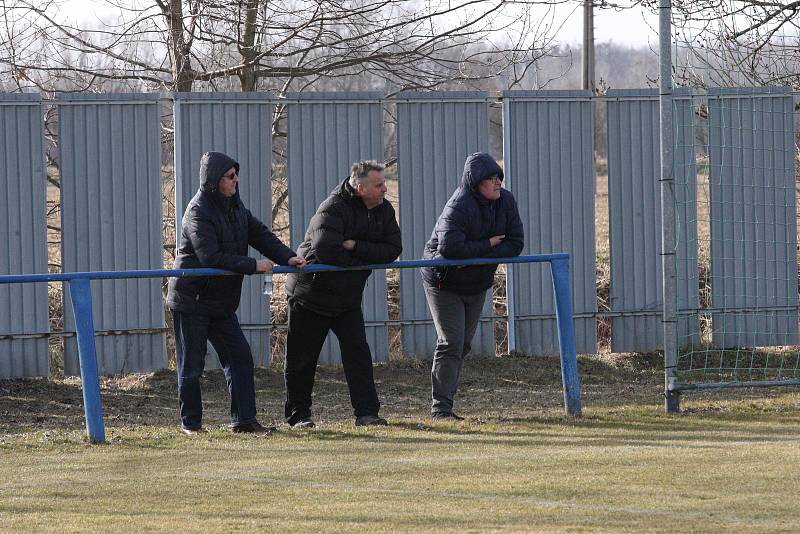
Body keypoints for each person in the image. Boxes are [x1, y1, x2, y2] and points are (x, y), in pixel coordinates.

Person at [166, 151, 306, 435]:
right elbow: (210, 257)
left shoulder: (235, 206)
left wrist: (287, 257)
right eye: (230, 176)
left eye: (236, 175)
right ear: (215, 180)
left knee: (240, 357)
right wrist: (253, 265)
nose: (236, 180)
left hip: (221, 302)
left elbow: (259, 234)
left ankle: (243, 420)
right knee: (192, 365)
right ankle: (190, 424)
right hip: (191, 300)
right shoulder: (197, 212)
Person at [284, 160, 402, 428]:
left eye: (384, 184)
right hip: (311, 293)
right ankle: (298, 416)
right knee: (302, 360)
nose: (385, 189)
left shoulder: (383, 210)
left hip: (347, 297)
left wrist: (356, 246)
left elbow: (393, 247)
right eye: (379, 185)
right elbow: (328, 251)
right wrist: (364, 256)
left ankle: (367, 413)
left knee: (358, 355)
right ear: (360, 187)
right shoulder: (332, 208)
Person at [421, 152, 524, 420]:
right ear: (475, 182)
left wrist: (477, 257)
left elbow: (515, 243)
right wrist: (489, 244)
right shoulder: (459, 205)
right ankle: (440, 409)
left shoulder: (506, 201)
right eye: (490, 179)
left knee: (463, 344)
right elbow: (450, 248)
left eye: (498, 178)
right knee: (451, 342)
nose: (497, 183)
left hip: (477, 281)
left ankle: (446, 403)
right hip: (444, 281)